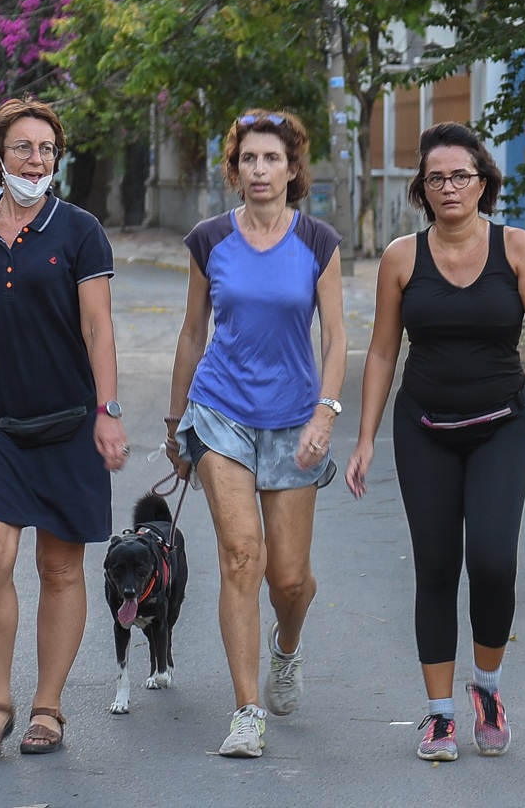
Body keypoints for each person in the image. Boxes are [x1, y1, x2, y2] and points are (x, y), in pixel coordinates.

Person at [346, 122, 525, 762]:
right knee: (435, 566)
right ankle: (440, 714)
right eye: (436, 178)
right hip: (423, 425)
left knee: (492, 560)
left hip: (501, 423)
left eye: (461, 175)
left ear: (484, 181)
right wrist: (364, 437)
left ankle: (488, 687)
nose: (449, 187)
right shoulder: (402, 256)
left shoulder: (518, 249)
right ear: (421, 189)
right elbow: (381, 351)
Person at [0, 98, 127, 761]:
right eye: (24, 147)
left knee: (60, 565)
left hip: (71, 424)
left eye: (47, 148)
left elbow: (98, 328)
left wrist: (108, 411)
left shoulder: (79, 231)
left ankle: (48, 704)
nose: (37, 159)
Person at [165, 109, 346, 759]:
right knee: (244, 554)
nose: (261, 170)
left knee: (289, 578)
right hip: (220, 413)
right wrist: (175, 418)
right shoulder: (209, 238)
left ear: (293, 168)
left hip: (297, 418)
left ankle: (286, 647)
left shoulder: (318, 240)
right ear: (235, 169)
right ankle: (246, 710)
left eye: (273, 158)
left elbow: (337, 336)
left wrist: (326, 412)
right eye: (249, 159)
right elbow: (192, 332)